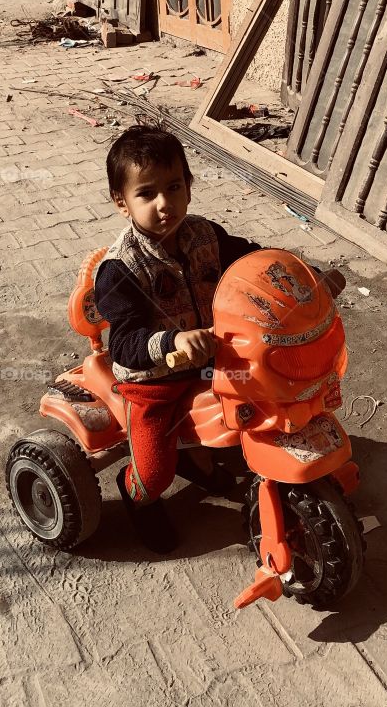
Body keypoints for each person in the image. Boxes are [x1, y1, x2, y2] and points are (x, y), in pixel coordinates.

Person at [93, 124, 261, 554]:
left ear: (189, 185)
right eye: (147, 194)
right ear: (122, 203)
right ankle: (137, 496)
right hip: (153, 384)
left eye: (174, 186)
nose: (165, 204)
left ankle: (202, 457)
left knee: (268, 395)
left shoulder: (206, 234)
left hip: (211, 359)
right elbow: (124, 343)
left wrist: (297, 274)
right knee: (154, 472)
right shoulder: (120, 269)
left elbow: (251, 260)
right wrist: (172, 341)